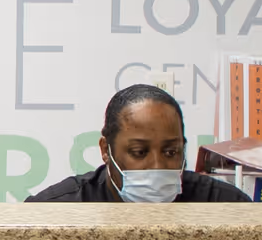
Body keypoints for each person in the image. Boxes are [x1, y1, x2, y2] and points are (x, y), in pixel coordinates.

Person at [28, 83, 250, 204]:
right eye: (139, 152)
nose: (157, 165)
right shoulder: (57, 208)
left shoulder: (225, 205)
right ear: (106, 150)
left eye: (171, 151)